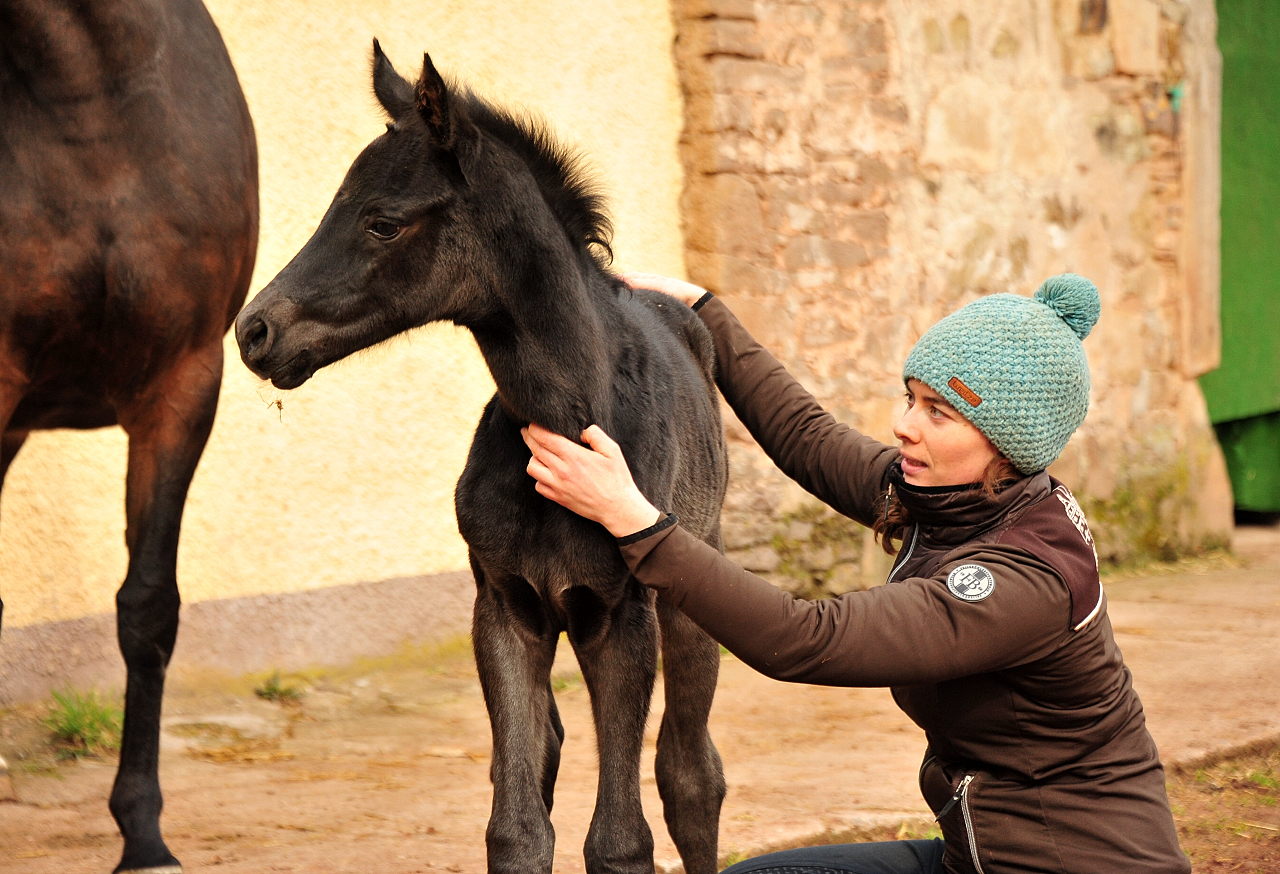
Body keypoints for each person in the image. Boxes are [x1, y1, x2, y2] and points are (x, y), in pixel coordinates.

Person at [521, 272, 1190, 874]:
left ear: (1008, 445)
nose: (905, 426)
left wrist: (634, 520)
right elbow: (810, 439)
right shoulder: (955, 498)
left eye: (939, 412)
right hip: (979, 858)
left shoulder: (1026, 577)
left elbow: (805, 637)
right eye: (910, 398)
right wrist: (703, 310)